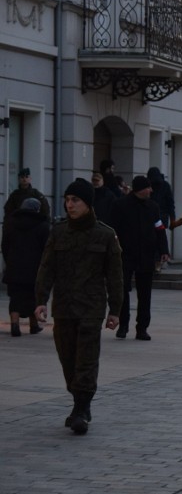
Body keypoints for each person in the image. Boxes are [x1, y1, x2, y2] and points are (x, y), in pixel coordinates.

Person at [35, 178, 123, 435]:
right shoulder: (59, 232)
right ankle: (79, 403)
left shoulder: (105, 235)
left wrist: (115, 310)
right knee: (68, 359)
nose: (69, 205)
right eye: (68, 199)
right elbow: (46, 267)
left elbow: (115, 276)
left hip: (91, 308)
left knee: (86, 360)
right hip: (63, 307)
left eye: (75, 200)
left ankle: (80, 408)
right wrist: (41, 300)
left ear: (88, 204)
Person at [110, 175, 170, 340]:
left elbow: (160, 229)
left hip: (146, 255)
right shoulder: (120, 205)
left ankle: (142, 328)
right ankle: (123, 325)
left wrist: (163, 249)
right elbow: (112, 230)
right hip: (125, 255)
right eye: (148, 187)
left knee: (145, 294)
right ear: (140, 189)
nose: (151, 190)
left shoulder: (153, 207)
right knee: (122, 291)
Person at [2, 198, 51, 336]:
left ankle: (15, 326)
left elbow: (5, 245)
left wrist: (9, 261)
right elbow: (46, 249)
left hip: (14, 267)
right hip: (34, 269)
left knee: (15, 297)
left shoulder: (11, 223)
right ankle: (33, 325)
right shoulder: (42, 225)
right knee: (33, 297)